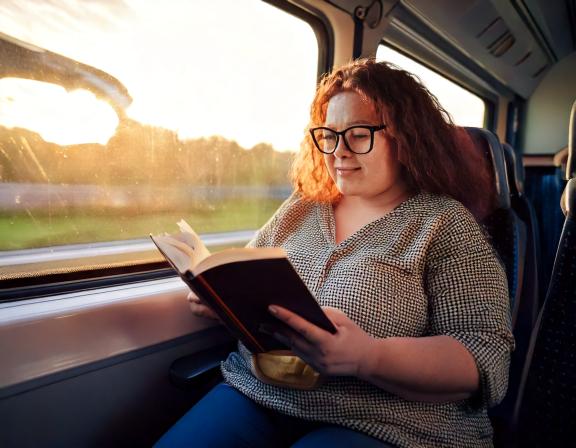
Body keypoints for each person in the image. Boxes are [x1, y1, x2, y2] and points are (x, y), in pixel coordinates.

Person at [155, 58, 513, 448]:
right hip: (257, 393)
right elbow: (250, 273)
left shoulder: (443, 223)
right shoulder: (302, 207)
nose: (338, 151)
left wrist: (367, 357)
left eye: (359, 134)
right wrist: (219, 297)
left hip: (390, 423)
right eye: (328, 135)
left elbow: (486, 355)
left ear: (407, 138)